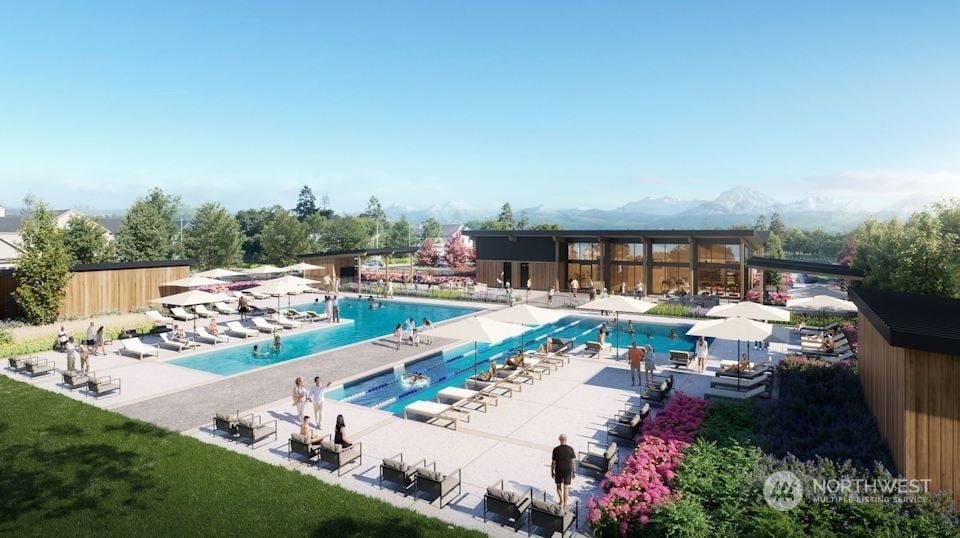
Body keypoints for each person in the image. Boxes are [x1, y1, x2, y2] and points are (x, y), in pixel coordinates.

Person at [551, 434, 577, 507]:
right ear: (566, 439)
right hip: (567, 471)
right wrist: (574, 472)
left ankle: (561, 500)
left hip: (558, 470)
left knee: (558, 486)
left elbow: (553, 462)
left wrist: (552, 472)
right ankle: (565, 504)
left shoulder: (556, 449)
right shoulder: (570, 449)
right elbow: (573, 462)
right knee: (566, 488)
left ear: (559, 439)